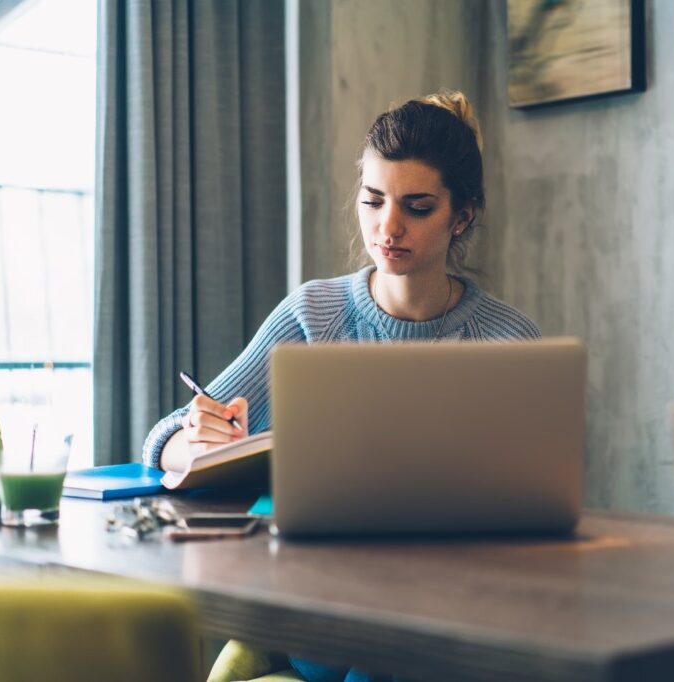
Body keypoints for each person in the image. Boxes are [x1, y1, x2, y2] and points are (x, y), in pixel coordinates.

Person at [143, 89, 540, 682]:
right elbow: (165, 437)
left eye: (418, 206)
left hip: (440, 611)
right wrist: (197, 440)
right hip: (314, 603)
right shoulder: (314, 314)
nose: (388, 227)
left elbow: (536, 507)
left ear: (462, 216)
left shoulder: (510, 343)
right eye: (372, 200)